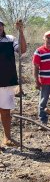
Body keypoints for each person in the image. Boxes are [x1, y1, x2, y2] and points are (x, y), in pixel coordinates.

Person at [0, 20, 26, 148]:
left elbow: (22, 50)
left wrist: (20, 31)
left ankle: (7, 138)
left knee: (5, 111)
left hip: (7, 81)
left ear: (3, 27)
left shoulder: (10, 39)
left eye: (0, 25)